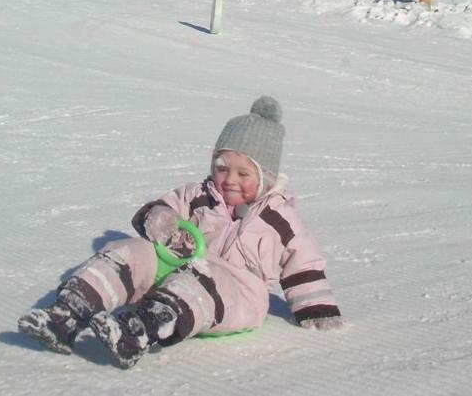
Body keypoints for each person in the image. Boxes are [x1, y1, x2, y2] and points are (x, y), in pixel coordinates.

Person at [17, 96, 344, 368]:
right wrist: (163, 221)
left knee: (203, 275)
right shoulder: (199, 194)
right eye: (221, 168)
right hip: (177, 269)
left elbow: (303, 263)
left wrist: (316, 309)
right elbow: (159, 208)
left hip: (237, 294)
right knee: (133, 250)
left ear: (267, 179)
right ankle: (67, 313)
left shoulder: (279, 218)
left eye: (243, 173)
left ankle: (139, 328)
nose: (229, 179)